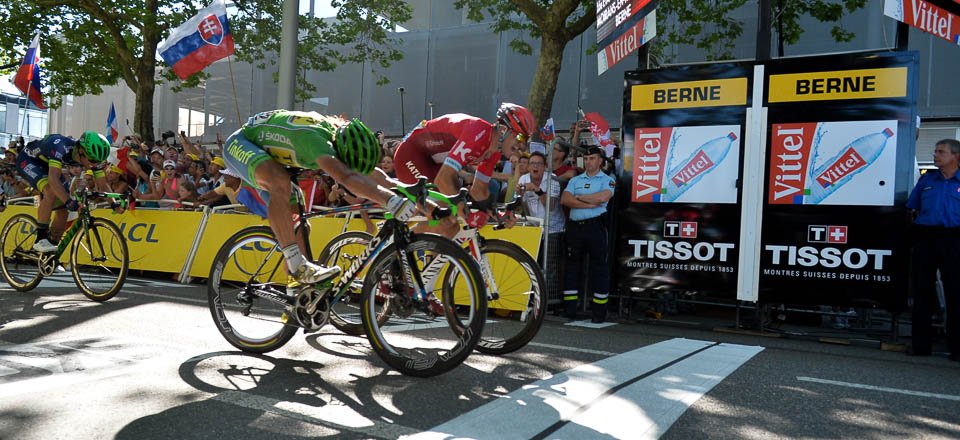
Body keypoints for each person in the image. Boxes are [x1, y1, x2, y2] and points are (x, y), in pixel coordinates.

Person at [222, 109, 436, 286]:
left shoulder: (339, 138)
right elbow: (346, 176)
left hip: (276, 154)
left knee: (299, 226)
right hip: (242, 144)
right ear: (337, 150)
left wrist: (424, 201)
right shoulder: (316, 142)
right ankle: (296, 264)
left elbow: (375, 176)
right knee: (279, 183)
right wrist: (390, 201)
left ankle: (299, 291)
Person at [392, 102, 535, 231]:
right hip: (410, 155)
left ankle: (428, 256)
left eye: (526, 140)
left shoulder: (493, 153)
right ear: (503, 129)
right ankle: (397, 251)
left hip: (433, 163)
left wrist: (499, 215)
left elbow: (479, 190)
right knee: (446, 217)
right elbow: (443, 179)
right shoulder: (478, 132)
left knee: (452, 225)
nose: (522, 146)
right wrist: (466, 214)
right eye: (520, 137)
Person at [906, 138, 960, 361]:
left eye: (941, 152)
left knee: (955, 293)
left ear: (955, 156)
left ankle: (956, 348)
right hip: (926, 237)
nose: (936, 155)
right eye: (936, 151)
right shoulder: (927, 180)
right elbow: (912, 206)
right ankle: (921, 345)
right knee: (922, 292)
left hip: (954, 238)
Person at [16, 131, 111, 252]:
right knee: (51, 191)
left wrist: (114, 203)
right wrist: (69, 201)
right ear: (81, 152)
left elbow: (103, 184)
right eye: (92, 160)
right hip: (29, 160)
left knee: (63, 210)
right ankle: (40, 238)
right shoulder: (61, 146)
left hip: (51, 166)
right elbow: (53, 179)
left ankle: (51, 253)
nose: (94, 164)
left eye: (98, 161)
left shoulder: (91, 159)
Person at [560, 146, 615, 323]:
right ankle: (570, 309)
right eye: (587, 158)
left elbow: (603, 198)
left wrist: (580, 197)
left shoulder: (607, 180)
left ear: (600, 161)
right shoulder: (575, 180)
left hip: (595, 227)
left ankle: (599, 312)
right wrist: (589, 202)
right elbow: (565, 200)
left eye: (592, 158)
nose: (589, 161)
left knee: (599, 269)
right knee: (571, 268)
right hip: (576, 228)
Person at [519, 151, 565, 301]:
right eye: (532, 163)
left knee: (550, 265)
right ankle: (533, 298)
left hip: (553, 228)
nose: (535, 167)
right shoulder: (523, 179)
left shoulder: (552, 181)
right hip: (534, 230)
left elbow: (551, 206)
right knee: (533, 264)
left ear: (545, 166)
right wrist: (519, 194)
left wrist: (538, 190)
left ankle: (549, 300)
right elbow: (523, 206)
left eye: (538, 164)